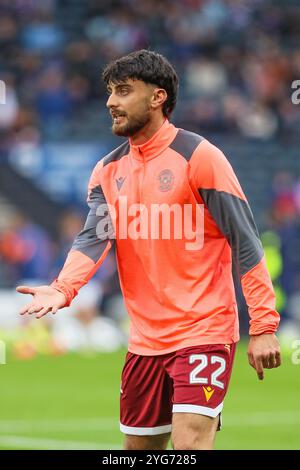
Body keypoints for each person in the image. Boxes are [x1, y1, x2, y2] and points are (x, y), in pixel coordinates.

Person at [17, 49, 281, 450]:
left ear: (158, 97)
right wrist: (62, 287)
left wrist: (262, 326)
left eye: (123, 91)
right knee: (138, 451)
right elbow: (94, 237)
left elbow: (245, 240)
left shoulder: (200, 157)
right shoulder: (107, 169)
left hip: (203, 332)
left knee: (189, 444)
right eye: (109, 92)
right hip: (145, 341)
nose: (111, 102)